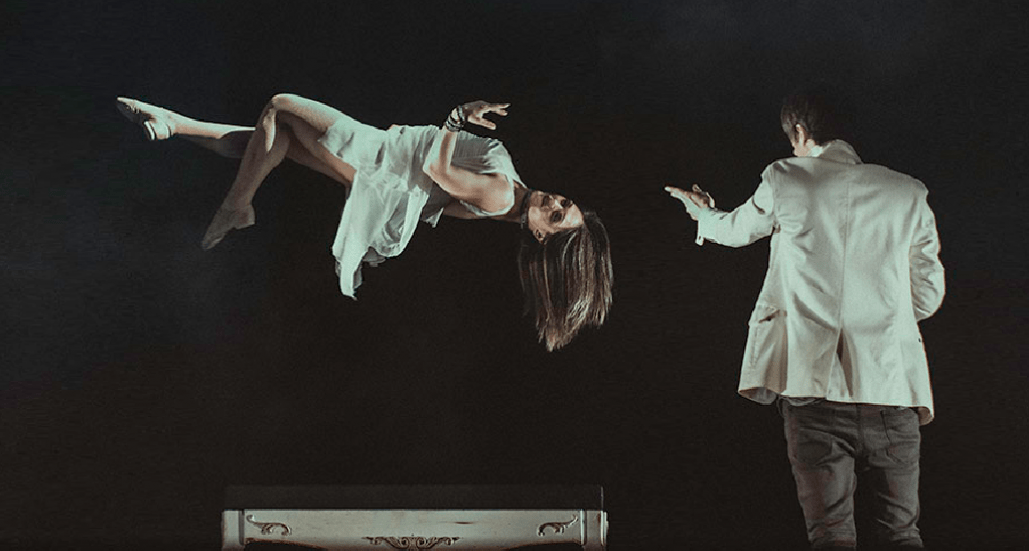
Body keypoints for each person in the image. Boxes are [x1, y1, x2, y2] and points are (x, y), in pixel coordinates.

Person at [664, 89, 945, 549]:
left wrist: (701, 211)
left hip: (813, 390)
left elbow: (734, 231)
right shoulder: (909, 193)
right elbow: (928, 296)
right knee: (901, 535)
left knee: (831, 535)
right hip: (893, 390)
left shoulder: (786, 177)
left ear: (799, 132)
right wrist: (880, 311)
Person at [116, 93, 612, 350]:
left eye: (556, 215)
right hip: (383, 172)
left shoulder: (504, 191)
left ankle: (236, 205)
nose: (555, 202)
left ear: (541, 232)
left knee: (281, 106)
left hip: (377, 156)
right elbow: (438, 204)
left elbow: (436, 172)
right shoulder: (505, 200)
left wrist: (458, 116)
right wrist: (383, 221)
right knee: (278, 139)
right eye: (564, 202)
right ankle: (172, 124)